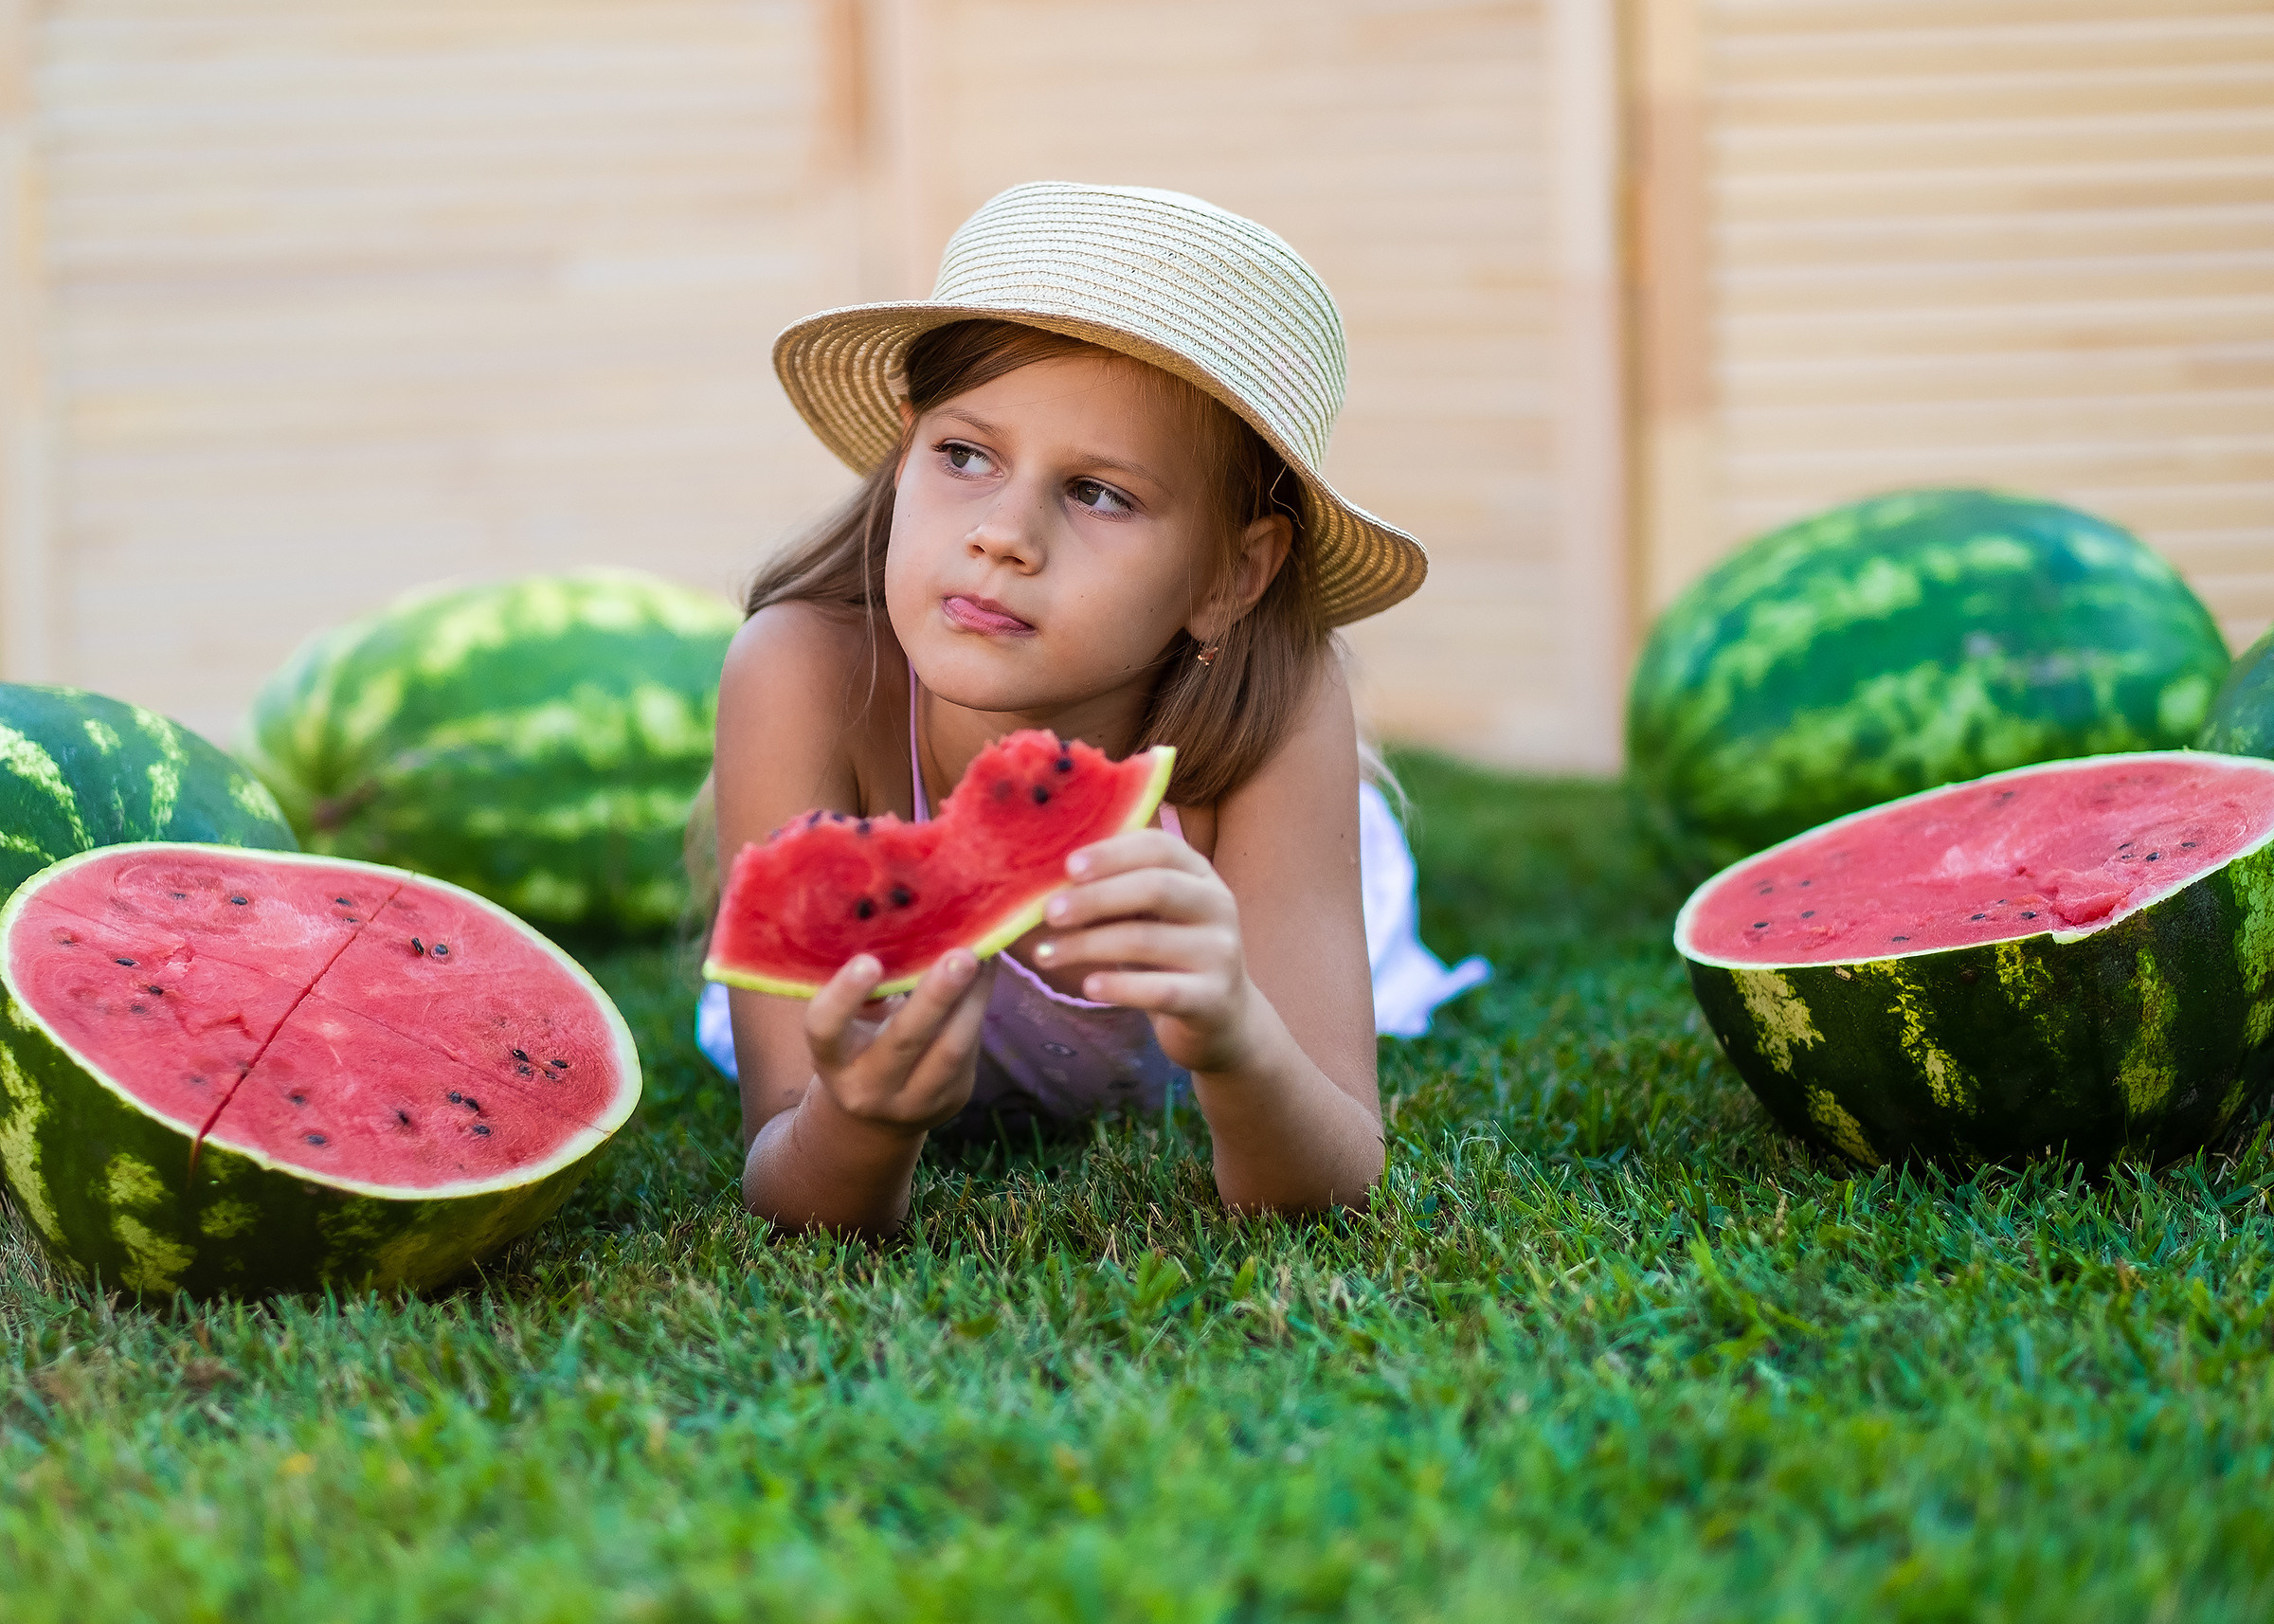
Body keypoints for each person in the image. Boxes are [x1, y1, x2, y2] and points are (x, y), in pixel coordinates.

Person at [704, 182, 1485, 1236]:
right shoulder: (798, 674)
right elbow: (785, 1168)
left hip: (1258, 872)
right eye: (965, 454)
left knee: (1346, 909)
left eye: (1099, 492)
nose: (1003, 534)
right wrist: (858, 1122)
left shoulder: (1281, 708)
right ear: (903, 454)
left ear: (1233, 575)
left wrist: (1239, 1036)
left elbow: (1334, 1173)